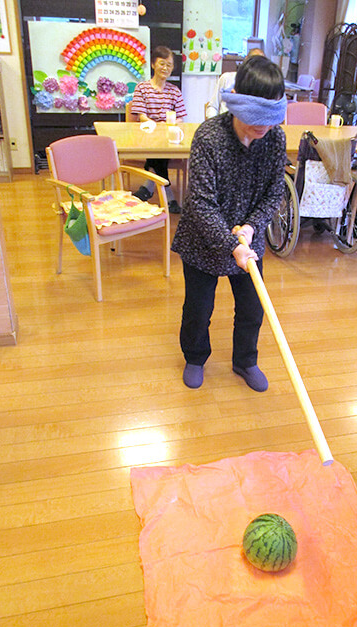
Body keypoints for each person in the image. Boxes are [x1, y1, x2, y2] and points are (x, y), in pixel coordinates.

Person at [172, 56, 287, 391]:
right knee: (198, 307)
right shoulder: (209, 137)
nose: (263, 127)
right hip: (204, 239)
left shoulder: (275, 140)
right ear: (236, 101)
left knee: (253, 307)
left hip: (248, 242)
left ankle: (245, 361)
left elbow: (274, 192)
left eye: (269, 120)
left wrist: (250, 229)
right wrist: (230, 244)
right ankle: (195, 357)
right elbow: (201, 202)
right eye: (256, 119)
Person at [131, 45, 187, 214]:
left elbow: (181, 117)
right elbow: (141, 116)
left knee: (159, 154)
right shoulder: (142, 88)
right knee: (157, 153)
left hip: (168, 136)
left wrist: (170, 125)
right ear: (154, 64)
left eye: (169, 65)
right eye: (162, 63)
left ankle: (148, 187)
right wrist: (157, 126)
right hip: (147, 134)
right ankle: (168, 196)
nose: (166, 68)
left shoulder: (174, 91)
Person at [205, 48, 265, 119]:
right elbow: (212, 107)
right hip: (223, 125)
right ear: (246, 60)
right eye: (254, 61)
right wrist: (215, 123)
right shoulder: (227, 78)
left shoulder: (263, 85)